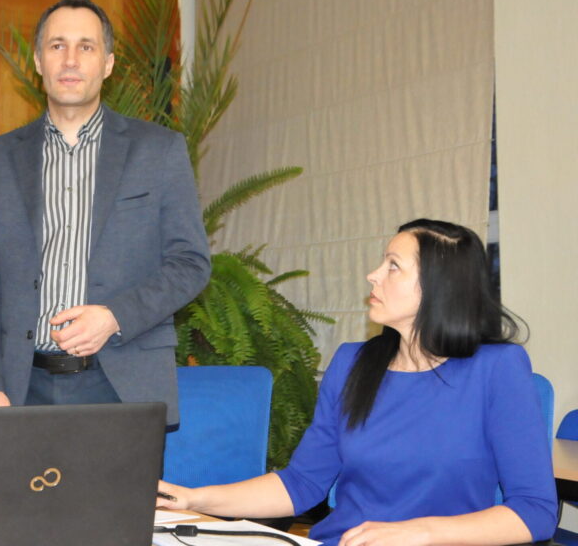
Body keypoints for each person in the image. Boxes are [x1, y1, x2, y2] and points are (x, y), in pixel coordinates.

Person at [158, 219, 557, 546]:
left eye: (393, 266)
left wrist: (419, 533)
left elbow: (535, 511)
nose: (373, 275)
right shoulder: (353, 362)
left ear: (440, 287)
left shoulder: (497, 368)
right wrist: (193, 497)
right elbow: (301, 483)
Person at [0, 0, 211, 426]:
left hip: (123, 387)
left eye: (86, 46)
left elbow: (191, 263)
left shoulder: (160, 151)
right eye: (57, 45)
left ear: (108, 64)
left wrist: (114, 316)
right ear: (39, 61)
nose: (71, 60)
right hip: (21, 390)